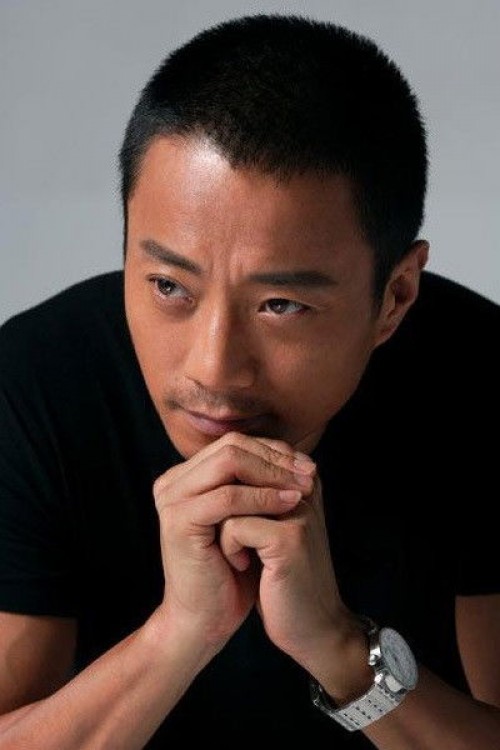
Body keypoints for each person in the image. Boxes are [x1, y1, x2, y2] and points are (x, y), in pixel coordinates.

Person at [0, 12, 499, 749]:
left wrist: (339, 649)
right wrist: (180, 632)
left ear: (394, 297)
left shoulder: (486, 385)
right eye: (169, 286)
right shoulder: (33, 389)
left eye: (281, 305)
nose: (211, 368)